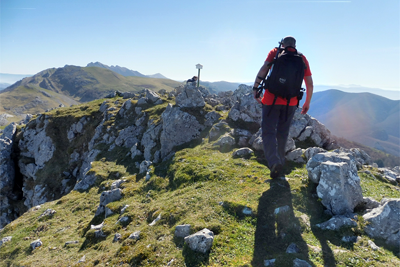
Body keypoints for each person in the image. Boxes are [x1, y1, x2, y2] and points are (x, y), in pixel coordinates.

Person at [253, 36, 313, 179]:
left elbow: (263, 70)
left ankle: (274, 162)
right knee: (283, 132)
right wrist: (307, 103)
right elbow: (309, 84)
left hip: (270, 100)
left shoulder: (275, 52)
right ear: (294, 45)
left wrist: (256, 88)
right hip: (291, 103)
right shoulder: (302, 59)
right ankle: (281, 160)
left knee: (268, 132)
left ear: (282, 44)